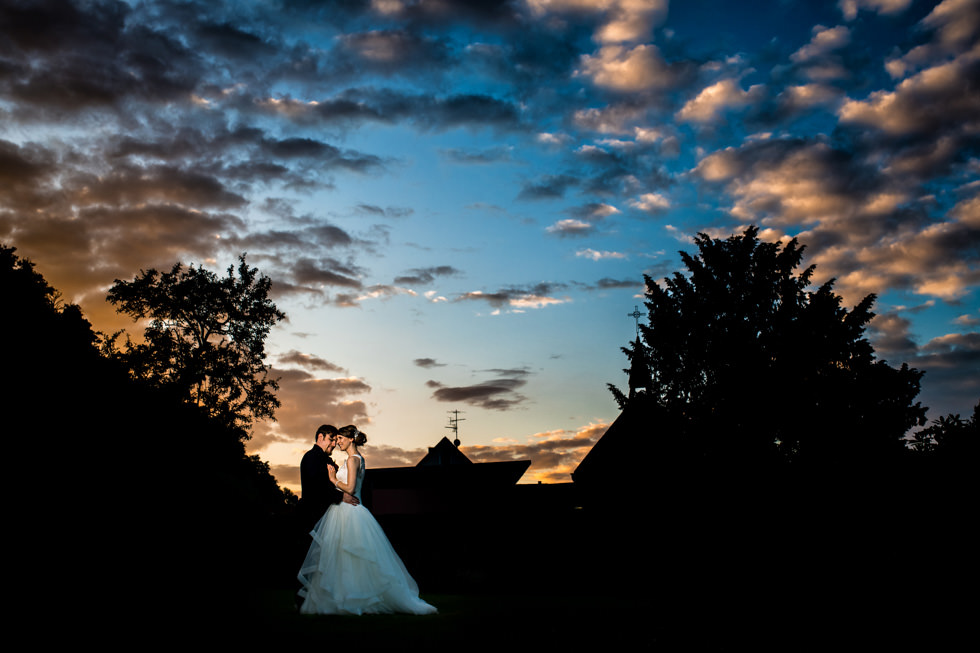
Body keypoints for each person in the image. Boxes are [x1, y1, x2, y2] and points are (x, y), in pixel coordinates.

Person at [297, 425, 437, 615]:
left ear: (351, 439)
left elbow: (351, 488)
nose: (336, 442)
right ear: (320, 437)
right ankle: (341, 597)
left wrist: (333, 479)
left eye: (338, 438)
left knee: (351, 557)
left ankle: (354, 597)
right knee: (340, 559)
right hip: (337, 511)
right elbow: (320, 489)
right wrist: (336, 488)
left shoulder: (353, 459)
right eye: (333, 439)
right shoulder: (317, 458)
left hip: (349, 512)